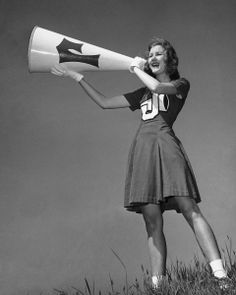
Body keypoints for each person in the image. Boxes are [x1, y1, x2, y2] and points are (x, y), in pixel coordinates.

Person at [51, 38, 230, 290]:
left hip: (166, 146)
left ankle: (220, 275)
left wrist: (135, 69)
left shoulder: (179, 84)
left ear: (169, 60)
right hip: (142, 151)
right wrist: (77, 77)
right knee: (151, 219)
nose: (153, 57)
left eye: (159, 53)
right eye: (150, 54)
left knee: (189, 208)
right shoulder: (141, 93)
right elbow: (104, 103)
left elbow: (159, 88)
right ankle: (159, 285)